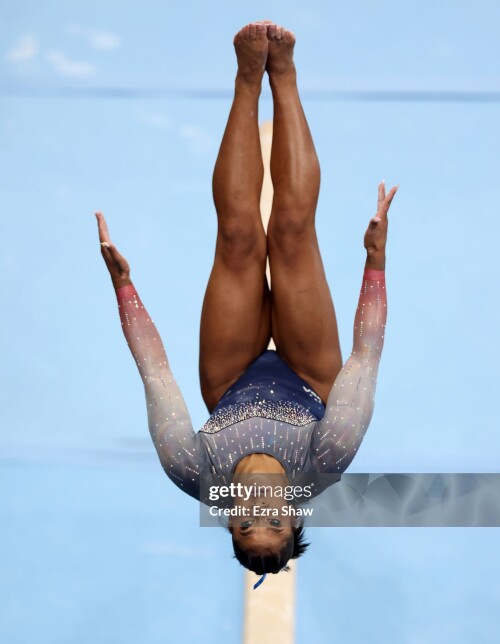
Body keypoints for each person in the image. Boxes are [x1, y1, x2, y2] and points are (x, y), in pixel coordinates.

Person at [96, 21, 398, 581]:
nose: (258, 509)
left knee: (237, 236)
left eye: (245, 524)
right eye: (274, 522)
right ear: (296, 515)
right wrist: (375, 260)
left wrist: (124, 287)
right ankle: (283, 76)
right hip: (313, 377)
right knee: (290, 231)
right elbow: (366, 355)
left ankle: (244, 80)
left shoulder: (192, 470)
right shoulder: (330, 453)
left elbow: (155, 372)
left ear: (227, 519)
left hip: (229, 379)